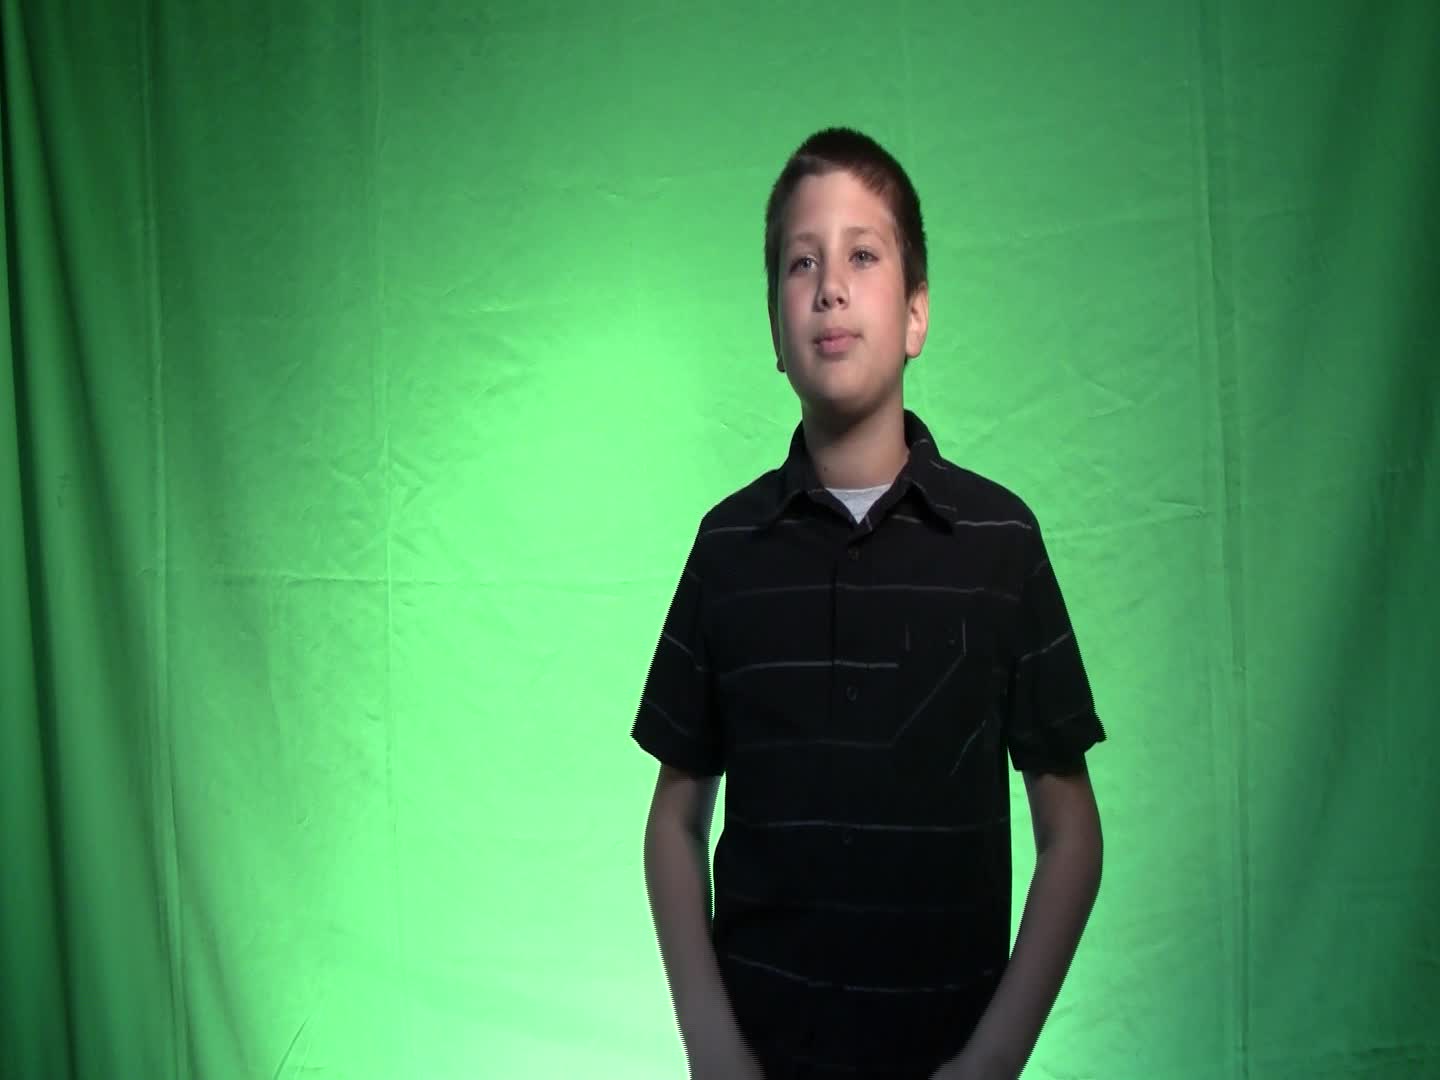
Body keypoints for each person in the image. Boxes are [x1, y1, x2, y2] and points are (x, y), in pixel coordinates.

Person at [633, 127, 1106, 1080]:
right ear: (775, 332)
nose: (829, 288)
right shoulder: (726, 551)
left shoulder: (1001, 545)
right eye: (800, 262)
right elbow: (674, 823)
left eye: (862, 256)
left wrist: (992, 1061)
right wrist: (713, 1051)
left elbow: (1073, 838)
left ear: (917, 313)